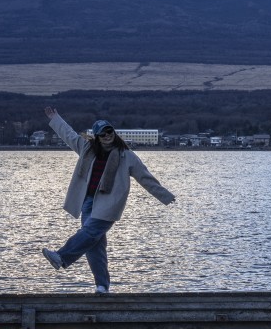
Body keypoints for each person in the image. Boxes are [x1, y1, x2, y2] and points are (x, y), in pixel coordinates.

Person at [41, 106, 176, 293]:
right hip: (88, 202)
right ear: (96, 137)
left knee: (88, 233)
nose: (107, 136)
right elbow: (69, 135)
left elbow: (145, 177)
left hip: (108, 204)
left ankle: (62, 257)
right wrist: (55, 118)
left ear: (114, 132)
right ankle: (102, 286)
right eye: (102, 134)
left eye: (109, 131)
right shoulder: (87, 149)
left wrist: (165, 196)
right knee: (94, 246)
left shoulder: (125, 155)